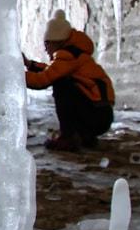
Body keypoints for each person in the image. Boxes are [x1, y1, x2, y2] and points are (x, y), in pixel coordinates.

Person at [24, 10, 115, 150]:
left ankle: (68, 137)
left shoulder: (68, 56)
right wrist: (29, 64)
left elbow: (44, 79)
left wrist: (16, 75)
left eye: (46, 44)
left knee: (62, 84)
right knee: (62, 80)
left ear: (56, 42)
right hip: (101, 114)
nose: (45, 49)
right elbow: (51, 70)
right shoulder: (75, 54)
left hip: (96, 116)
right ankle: (85, 137)